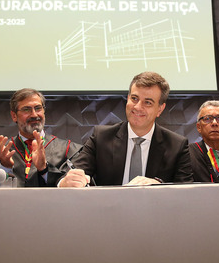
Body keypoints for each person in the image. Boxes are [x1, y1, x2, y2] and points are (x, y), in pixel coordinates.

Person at [60, 72, 193, 187]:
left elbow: (185, 192)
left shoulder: (177, 145)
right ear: (127, 98)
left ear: (160, 109)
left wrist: (159, 186)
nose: (138, 107)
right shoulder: (101, 137)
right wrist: (66, 181)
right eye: (134, 99)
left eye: (148, 102)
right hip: (109, 207)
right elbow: (73, 173)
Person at [0, 88, 80, 187]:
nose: (34, 115)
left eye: (38, 108)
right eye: (26, 109)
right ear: (14, 116)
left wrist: (44, 170)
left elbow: (78, 190)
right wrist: (4, 167)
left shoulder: (68, 150)